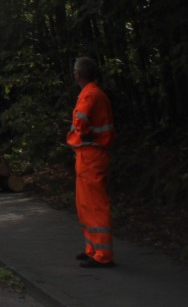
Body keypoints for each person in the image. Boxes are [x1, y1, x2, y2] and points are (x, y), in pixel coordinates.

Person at [67, 56, 115, 267]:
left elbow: (81, 120)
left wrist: (82, 132)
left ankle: (103, 255)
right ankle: (93, 249)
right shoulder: (95, 92)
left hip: (91, 155)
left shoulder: (89, 94)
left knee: (94, 205)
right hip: (89, 155)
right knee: (85, 205)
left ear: (78, 74)